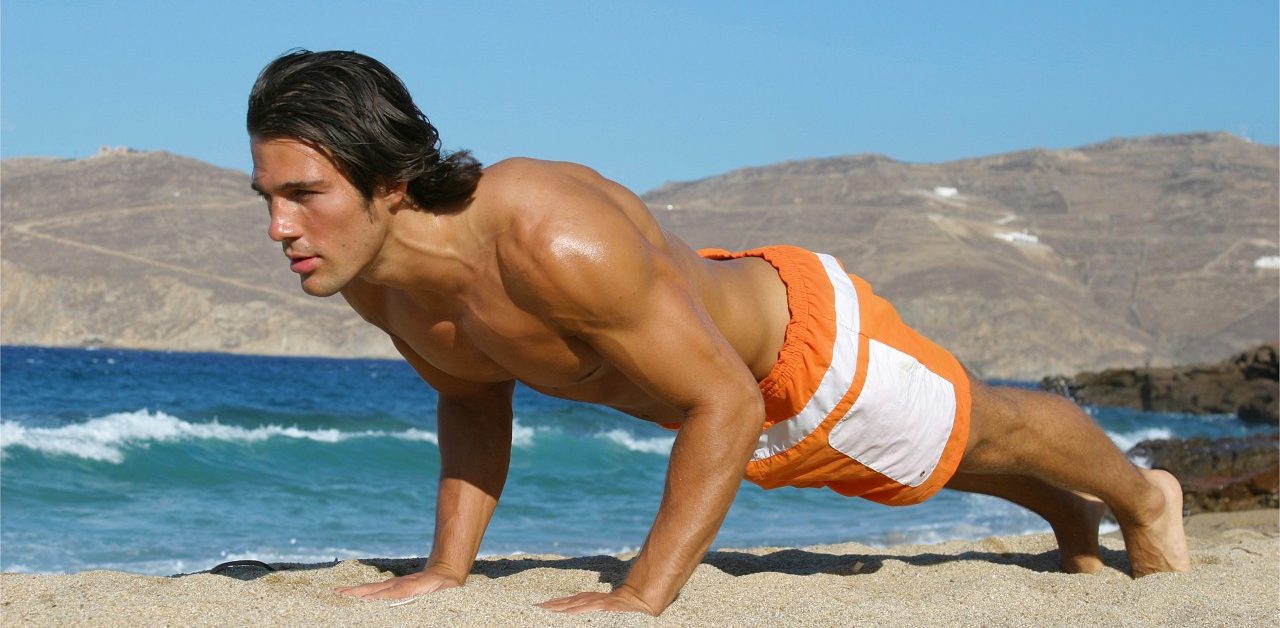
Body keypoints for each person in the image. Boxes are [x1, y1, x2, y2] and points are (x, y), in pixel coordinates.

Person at [245, 50, 1189, 616]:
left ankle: (1142, 497)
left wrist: (641, 593)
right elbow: (472, 396)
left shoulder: (550, 239)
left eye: (303, 195)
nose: (279, 228)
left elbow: (728, 398)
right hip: (716, 398)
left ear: (390, 183)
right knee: (917, 468)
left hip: (797, 351)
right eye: (268, 197)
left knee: (972, 426)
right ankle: (1069, 513)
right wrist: (447, 571)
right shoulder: (380, 283)